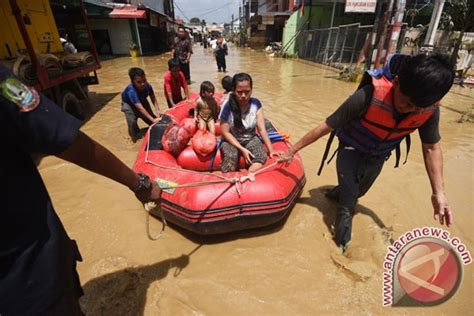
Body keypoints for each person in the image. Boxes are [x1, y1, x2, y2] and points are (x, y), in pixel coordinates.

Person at [0, 63, 162, 315]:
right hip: (28, 271)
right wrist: (139, 183)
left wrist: (158, 113)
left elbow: (150, 99)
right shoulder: (5, 85)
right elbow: (63, 138)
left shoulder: (148, 87)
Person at [279, 53, 455, 251]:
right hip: (350, 149)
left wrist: (438, 192)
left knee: (358, 191)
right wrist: (292, 150)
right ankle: (343, 250)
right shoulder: (367, 95)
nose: (409, 110)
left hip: (378, 155)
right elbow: (326, 125)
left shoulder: (428, 109)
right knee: (349, 203)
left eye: (416, 107)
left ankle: (336, 193)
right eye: (406, 102)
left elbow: (431, 147)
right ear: (396, 83)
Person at [219, 73, 278, 173]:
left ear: (251, 90)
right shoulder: (227, 107)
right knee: (231, 157)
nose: (243, 95)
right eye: (239, 92)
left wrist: (271, 150)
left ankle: (249, 177)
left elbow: (261, 129)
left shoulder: (256, 104)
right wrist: (242, 149)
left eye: (247, 92)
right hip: (231, 140)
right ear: (233, 90)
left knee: (261, 156)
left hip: (250, 138)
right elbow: (225, 132)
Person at [121, 67, 160, 142]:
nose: (143, 84)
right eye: (139, 82)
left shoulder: (148, 86)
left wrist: (157, 110)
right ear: (132, 82)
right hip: (129, 105)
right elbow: (140, 108)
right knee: (132, 123)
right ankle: (133, 139)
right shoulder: (131, 91)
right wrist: (153, 119)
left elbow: (153, 97)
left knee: (152, 122)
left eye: (144, 80)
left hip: (142, 100)